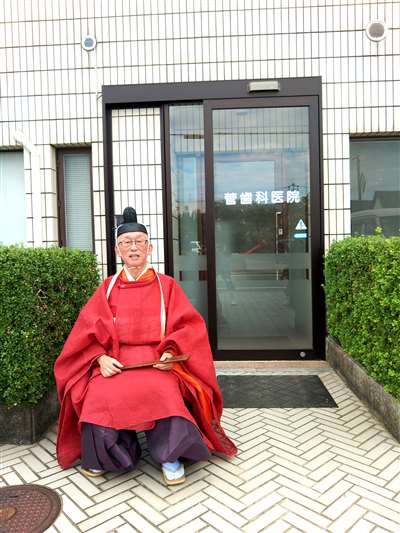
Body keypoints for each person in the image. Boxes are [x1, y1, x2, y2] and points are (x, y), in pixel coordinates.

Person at [54, 207, 237, 485]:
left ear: (149, 248)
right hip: (117, 360)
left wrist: (171, 353)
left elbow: (189, 327)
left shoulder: (167, 286)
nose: (133, 248)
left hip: (156, 360)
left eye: (139, 241)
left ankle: (170, 455)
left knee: (164, 391)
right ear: (117, 250)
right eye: (126, 242)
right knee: (99, 393)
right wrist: (100, 358)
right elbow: (86, 332)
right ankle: (109, 455)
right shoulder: (107, 288)